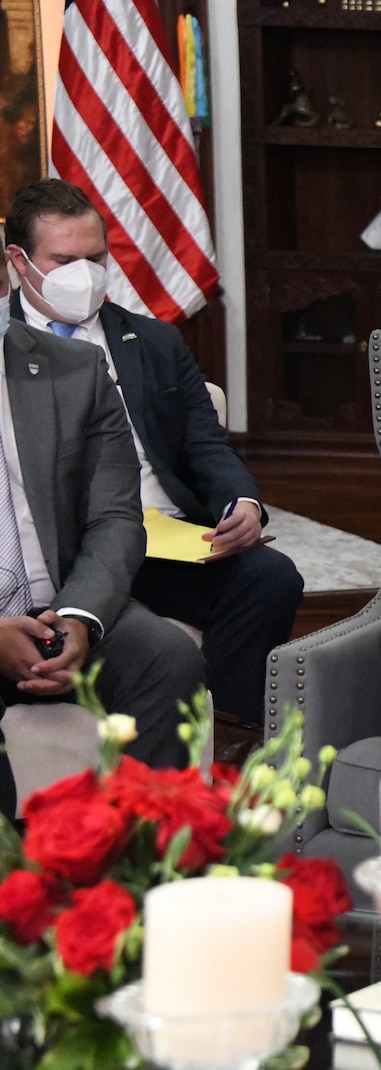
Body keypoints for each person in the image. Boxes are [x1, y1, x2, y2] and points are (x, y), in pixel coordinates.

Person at [4, 180, 303, 728]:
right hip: (70, 549)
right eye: (65, 260)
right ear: (19, 261)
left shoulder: (155, 341)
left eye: (95, 257)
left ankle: (230, 735)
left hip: (165, 546)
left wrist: (243, 503)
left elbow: (204, 442)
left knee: (270, 576)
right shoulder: (6, 347)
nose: (85, 273)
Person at [0, 271, 202, 820]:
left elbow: (115, 516)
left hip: (62, 598)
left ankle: (146, 864)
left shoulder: (76, 370)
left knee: (167, 657)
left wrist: (80, 617)